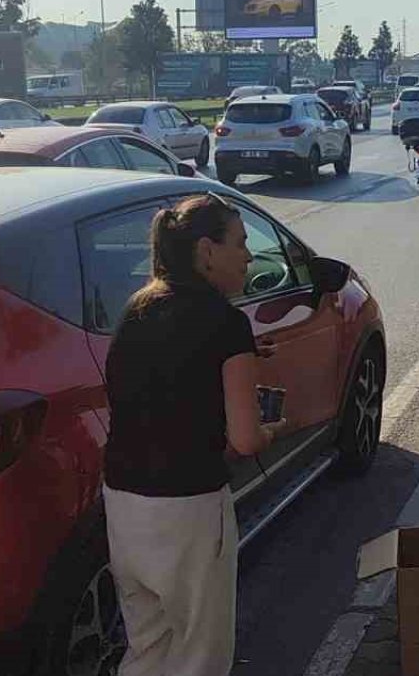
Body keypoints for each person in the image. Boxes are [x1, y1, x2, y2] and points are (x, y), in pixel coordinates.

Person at [102, 194, 286, 676]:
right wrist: (273, 429)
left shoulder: (137, 308)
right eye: (242, 244)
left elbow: (165, 381)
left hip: (124, 503)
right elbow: (246, 440)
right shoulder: (226, 323)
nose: (249, 256)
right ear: (207, 251)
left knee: (148, 645)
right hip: (189, 508)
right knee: (200, 654)